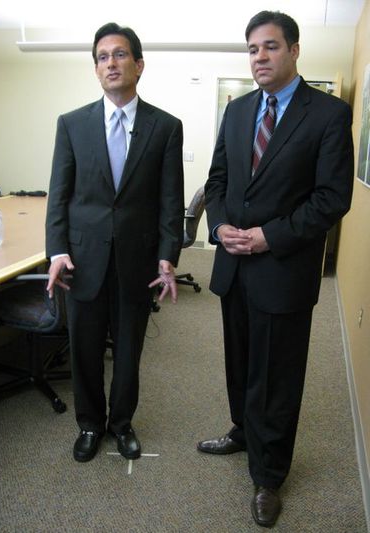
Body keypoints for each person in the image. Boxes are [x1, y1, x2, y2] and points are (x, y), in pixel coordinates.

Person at [198, 10, 353, 528]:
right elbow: (217, 181)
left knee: (278, 376)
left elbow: (333, 198)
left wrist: (271, 235)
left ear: (293, 50)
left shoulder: (328, 115)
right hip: (233, 266)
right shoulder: (238, 110)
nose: (259, 57)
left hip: (283, 269)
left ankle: (269, 476)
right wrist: (219, 229)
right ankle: (243, 431)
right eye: (251, 49)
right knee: (240, 363)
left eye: (269, 47)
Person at [45, 22, 184, 463]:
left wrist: (167, 257)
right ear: (96, 68)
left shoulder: (165, 127)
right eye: (102, 57)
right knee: (85, 351)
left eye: (120, 54)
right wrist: (58, 250)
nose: (111, 63)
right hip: (82, 262)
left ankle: (121, 423)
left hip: (137, 261)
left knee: (128, 352)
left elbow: (170, 199)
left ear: (139, 65)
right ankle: (90, 424)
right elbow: (59, 195)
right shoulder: (72, 125)